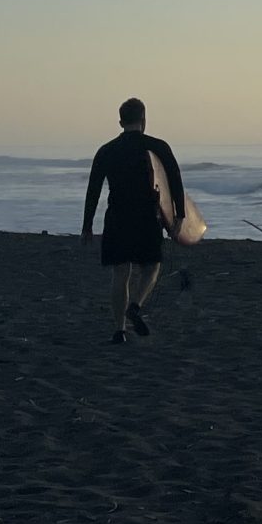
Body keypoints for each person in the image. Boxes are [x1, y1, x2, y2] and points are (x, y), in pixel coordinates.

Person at [83, 97, 186, 345]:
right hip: (146, 217)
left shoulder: (106, 151)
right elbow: (174, 180)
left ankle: (119, 331)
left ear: (120, 122)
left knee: (120, 273)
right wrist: (179, 215)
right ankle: (136, 306)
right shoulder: (157, 146)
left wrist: (87, 225)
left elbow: (93, 189)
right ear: (144, 119)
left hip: (117, 216)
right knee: (152, 265)